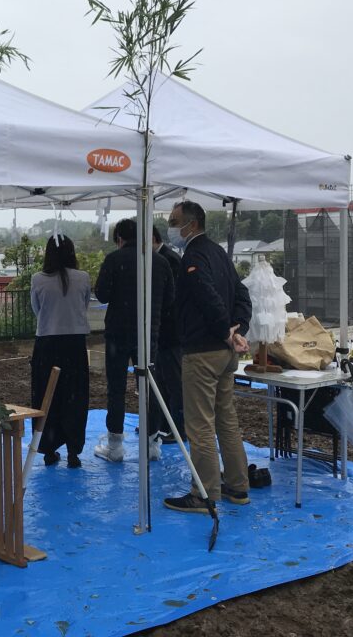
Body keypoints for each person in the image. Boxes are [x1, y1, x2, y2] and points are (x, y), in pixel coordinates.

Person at [163, 201, 253, 514]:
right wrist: (238, 329)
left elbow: (205, 295)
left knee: (200, 425)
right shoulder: (219, 254)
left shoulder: (195, 255)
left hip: (203, 351)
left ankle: (204, 493)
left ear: (191, 224)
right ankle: (238, 486)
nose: (171, 228)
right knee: (226, 420)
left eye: (174, 222)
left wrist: (227, 331)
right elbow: (242, 295)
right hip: (224, 353)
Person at [93, 219, 173, 462]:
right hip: (149, 333)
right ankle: (152, 445)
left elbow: (102, 294)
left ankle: (115, 446)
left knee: (116, 388)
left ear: (119, 239)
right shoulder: (160, 262)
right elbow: (170, 299)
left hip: (118, 333)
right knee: (150, 387)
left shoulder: (114, 260)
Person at [30, 235, 91, 468]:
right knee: (75, 396)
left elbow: (37, 310)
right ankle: (74, 451)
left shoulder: (38, 279)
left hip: (47, 343)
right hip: (75, 344)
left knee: (46, 397)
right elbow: (83, 306)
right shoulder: (83, 278)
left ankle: (48, 449)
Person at [151, 225, 185, 442]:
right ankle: (162, 425)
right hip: (161, 333)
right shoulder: (161, 258)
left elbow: (171, 299)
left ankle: (179, 429)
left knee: (174, 383)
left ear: (153, 239)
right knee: (161, 381)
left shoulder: (168, 260)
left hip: (171, 332)